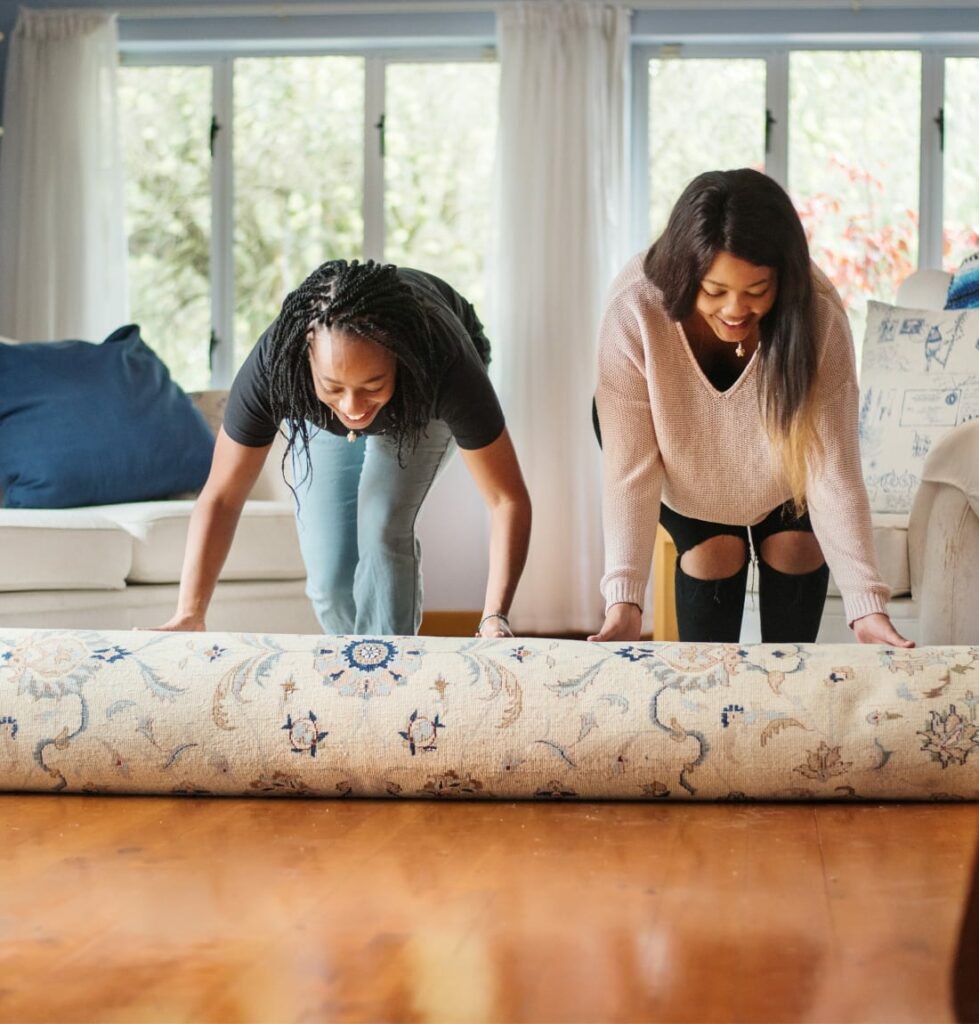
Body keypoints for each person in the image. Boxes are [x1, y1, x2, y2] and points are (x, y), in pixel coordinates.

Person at [588, 168, 912, 648]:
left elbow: (832, 469)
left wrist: (867, 607)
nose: (735, 310)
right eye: (714, 291)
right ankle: (705, 707)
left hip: (779, 459)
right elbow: (630, 472)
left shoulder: (818, 315)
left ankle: (790, 702)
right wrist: (624, 602)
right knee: (717, 552)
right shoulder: (634, 309)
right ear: (684, 271)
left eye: (757, 291)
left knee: (797, 548)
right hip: (679, 454)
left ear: (784, 278)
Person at [156, 259, 531, 638]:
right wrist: (189, 612)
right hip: (320, 411)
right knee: (329, 578)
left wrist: (494, 615)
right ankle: (355, 675)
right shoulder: (276, 367)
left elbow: (506, 499)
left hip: (420, 393)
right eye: (334, 387)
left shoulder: (445, 364)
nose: (353, 408)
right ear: (306, 360)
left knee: (381, 524)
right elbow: (221, 497)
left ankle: (392, 676)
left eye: (372, 385)